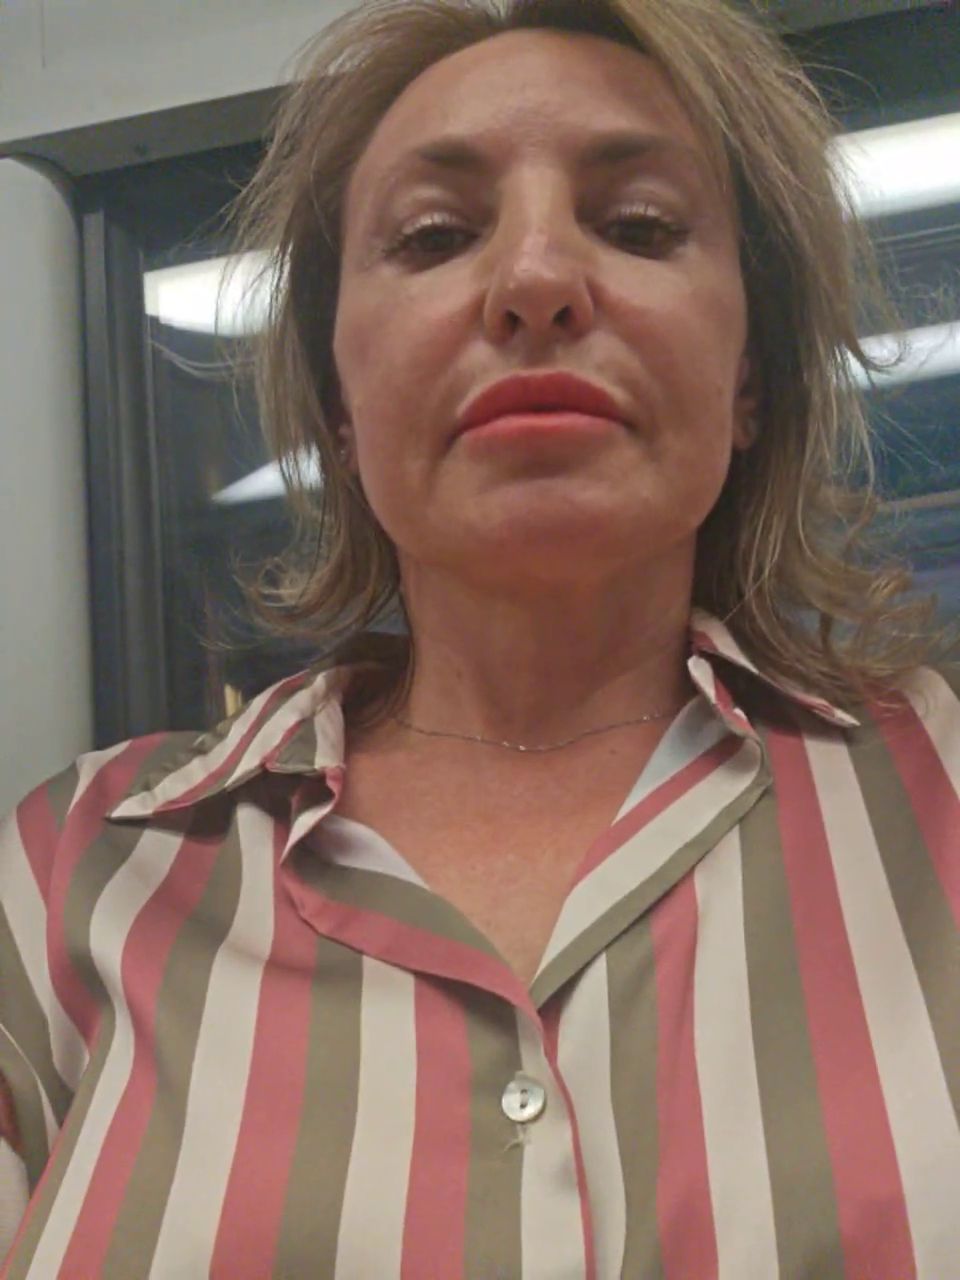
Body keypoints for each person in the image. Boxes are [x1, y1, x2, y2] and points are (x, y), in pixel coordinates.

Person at [2, 0, 958, 1275]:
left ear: (749, 377)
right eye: (436, 236)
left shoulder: (943, 785)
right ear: (338, 405)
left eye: (640, 225)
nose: (537, 282)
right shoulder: (67, 874)